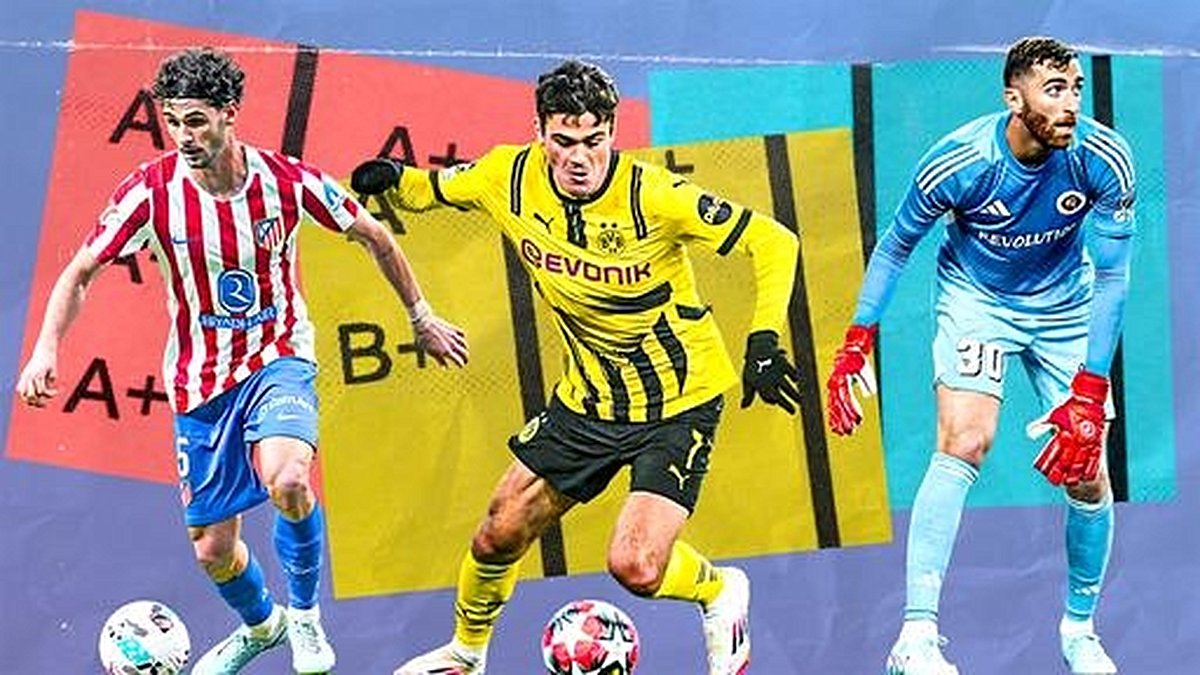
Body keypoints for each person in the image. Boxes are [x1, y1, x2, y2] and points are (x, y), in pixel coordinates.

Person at [15, 48, 469, 675]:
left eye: (196, 121)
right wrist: (45, 347)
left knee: (288, 479)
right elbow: (80, 270)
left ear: (230, 113)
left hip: (278, 358)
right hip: (200, 382)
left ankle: (304, 617)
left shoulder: (286, 182)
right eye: (173, 122)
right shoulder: (151, 192)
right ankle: (263, 625)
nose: (184, 136)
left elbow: (375, 236)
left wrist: (421, 318)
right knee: (213, 551)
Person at [352, 59, 801, 675]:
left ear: (612, 132)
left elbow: (774, 241)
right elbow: (434, 189)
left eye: (595, 140)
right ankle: (466, 655)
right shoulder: (507, 176)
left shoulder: (653, 196)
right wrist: (392, 179)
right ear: (539, 132)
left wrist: (764, 339)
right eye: (565, 141)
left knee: (636, 566)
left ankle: (720, 590)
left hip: (678, 402)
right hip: (587, 402)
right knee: (497, 534)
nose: (581, 158)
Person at [825, 37, 1135, 675]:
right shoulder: (962, 160)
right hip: (977, 299)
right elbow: (896, 246)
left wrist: (1090, 391)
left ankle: (1079, 632)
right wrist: (858, 338)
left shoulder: (1103, 159)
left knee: (1087, 469)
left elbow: (1112, 276)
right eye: (1054, 89)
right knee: (965, 440)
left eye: (1077, 88)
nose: (1071, 104)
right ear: (1013, 98)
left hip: (1067, 305)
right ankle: (914, 638)